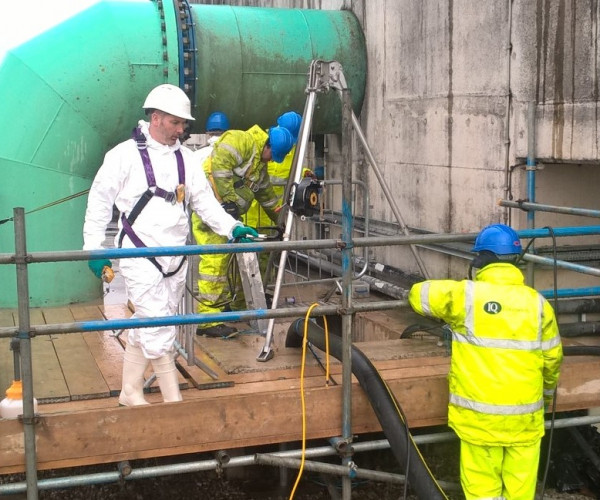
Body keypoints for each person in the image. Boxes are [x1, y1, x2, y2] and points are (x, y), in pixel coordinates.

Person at [83, 84, 258, 406]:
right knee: (159, 326)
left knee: (150, 322)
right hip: (139, 254)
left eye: (183, 124)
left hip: (176, 257)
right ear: (157, 118)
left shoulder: (187, 160)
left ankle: (130, 391)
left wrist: (233, 228)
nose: (182, 130)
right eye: (176, 123)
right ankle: (173, 400)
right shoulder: (123, 156)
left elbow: (204, 202)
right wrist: (95, 250)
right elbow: (99, 203)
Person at [407, 224, 563, 500]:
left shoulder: (464, 296)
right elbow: (552, 361)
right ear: (516, 261)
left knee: (482, 492)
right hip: (524, 421)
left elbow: (418, 295)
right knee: (520, 493)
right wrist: (546, 397)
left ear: (481, 260)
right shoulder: (537, 304)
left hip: (478, 422)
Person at [193, 123, 295, 338]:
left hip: (227, 217)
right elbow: (219, 164)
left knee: (229, 262)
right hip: (213, 212)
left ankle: (231, 307)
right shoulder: (243, 141)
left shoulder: (258, 164)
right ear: (268, 146)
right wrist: (228, 199)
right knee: (215, 262)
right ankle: (207, 319)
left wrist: (281, 221)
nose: (270, 160)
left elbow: (266, 195)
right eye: (272, 156)